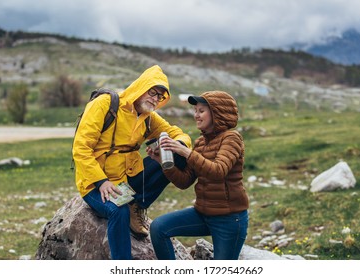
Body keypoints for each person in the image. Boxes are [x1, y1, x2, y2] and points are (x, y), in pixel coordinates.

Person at [72, 65, 191, 260]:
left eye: (160, 97)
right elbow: (81, 148)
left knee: (176, 154)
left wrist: (175, 144)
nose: (155, 99)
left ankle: (137, 204)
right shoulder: (104, 104)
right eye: (152, 92)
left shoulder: (148, 118)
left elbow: (178, 133)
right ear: (141, 87)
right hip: (96, 182)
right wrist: (101, 182)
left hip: (128, 178)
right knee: (118, 212)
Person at [148, 90, 249, 260]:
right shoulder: (201, 142)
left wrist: (186, 152)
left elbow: (218, 171)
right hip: (203, 213)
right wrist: (162, 162)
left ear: (217, 113)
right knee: (159, 227)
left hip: (229, 220)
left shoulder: (232, 138)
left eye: (201, 111)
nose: (196, 115)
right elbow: (185, 181)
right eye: (195, 111)